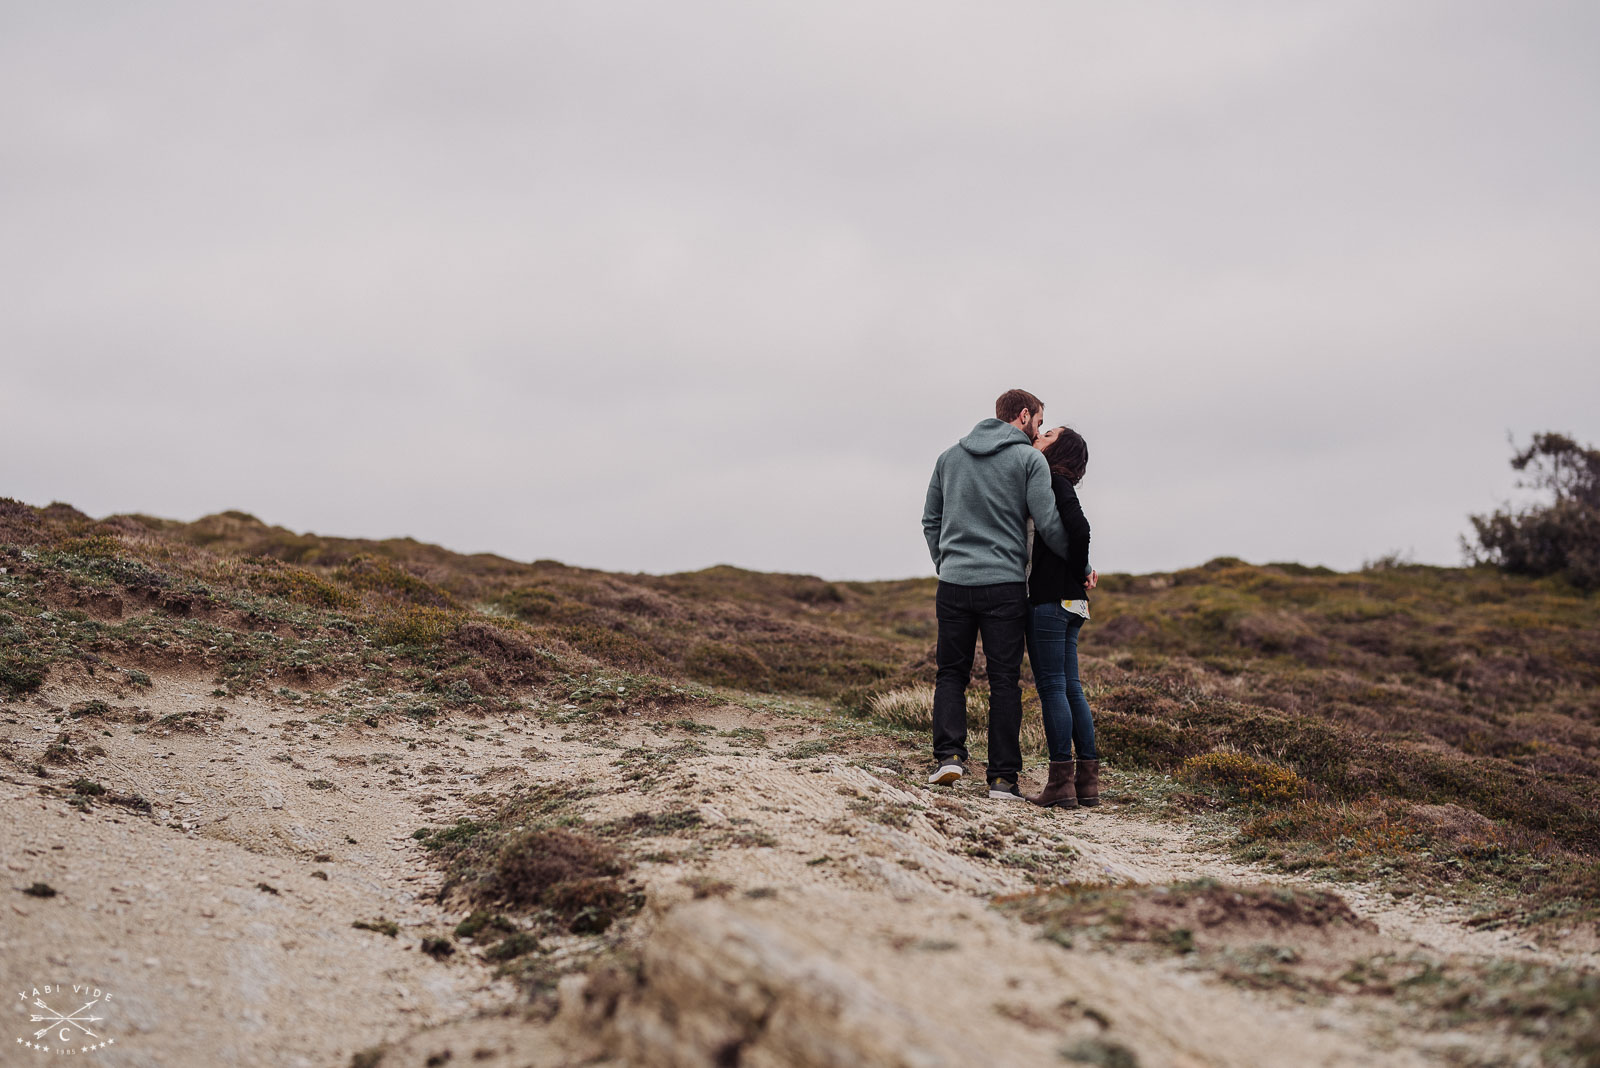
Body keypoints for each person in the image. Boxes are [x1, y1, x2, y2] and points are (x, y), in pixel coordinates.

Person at [921, 389, 1071, 800]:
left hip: (952, 585)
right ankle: (1003, 780)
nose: (1039, 429)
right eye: (1039, 422)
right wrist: (1077, 563)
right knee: (1004, 682)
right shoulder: (1028, 460)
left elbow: (930, 519)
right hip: (1003, 587)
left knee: (951, 674)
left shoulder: (948, 457)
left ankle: (949, 757)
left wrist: (945, 562)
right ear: (1024, 415)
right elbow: (1048, 522)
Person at [1023, 426, 1101, 808]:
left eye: (1049, 433)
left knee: (1053, 688)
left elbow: (1080, 529)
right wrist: (1079, 571)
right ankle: (1087, 782)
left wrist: (1072, 569)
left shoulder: (1052, 480)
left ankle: (1060, 782)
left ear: (1060, 449)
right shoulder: (1061, 482)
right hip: (1072, 604)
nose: (1041, 433)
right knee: (1071, 687)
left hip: (1052, 601)